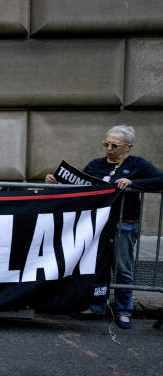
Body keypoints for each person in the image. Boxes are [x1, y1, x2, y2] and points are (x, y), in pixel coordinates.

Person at [45, 125, 163, 329]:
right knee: (96, 268)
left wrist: (134, 182)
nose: (109, 148)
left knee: (122, 268)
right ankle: (96, 305)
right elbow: (78, 186)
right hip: (96, 225)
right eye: (106, 143)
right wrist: (56, 183)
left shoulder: (137, 164)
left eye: (114, 145)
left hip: (123, 224)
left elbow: (160, 180)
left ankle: (124, 311)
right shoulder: (96, 165)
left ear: (128, 147)